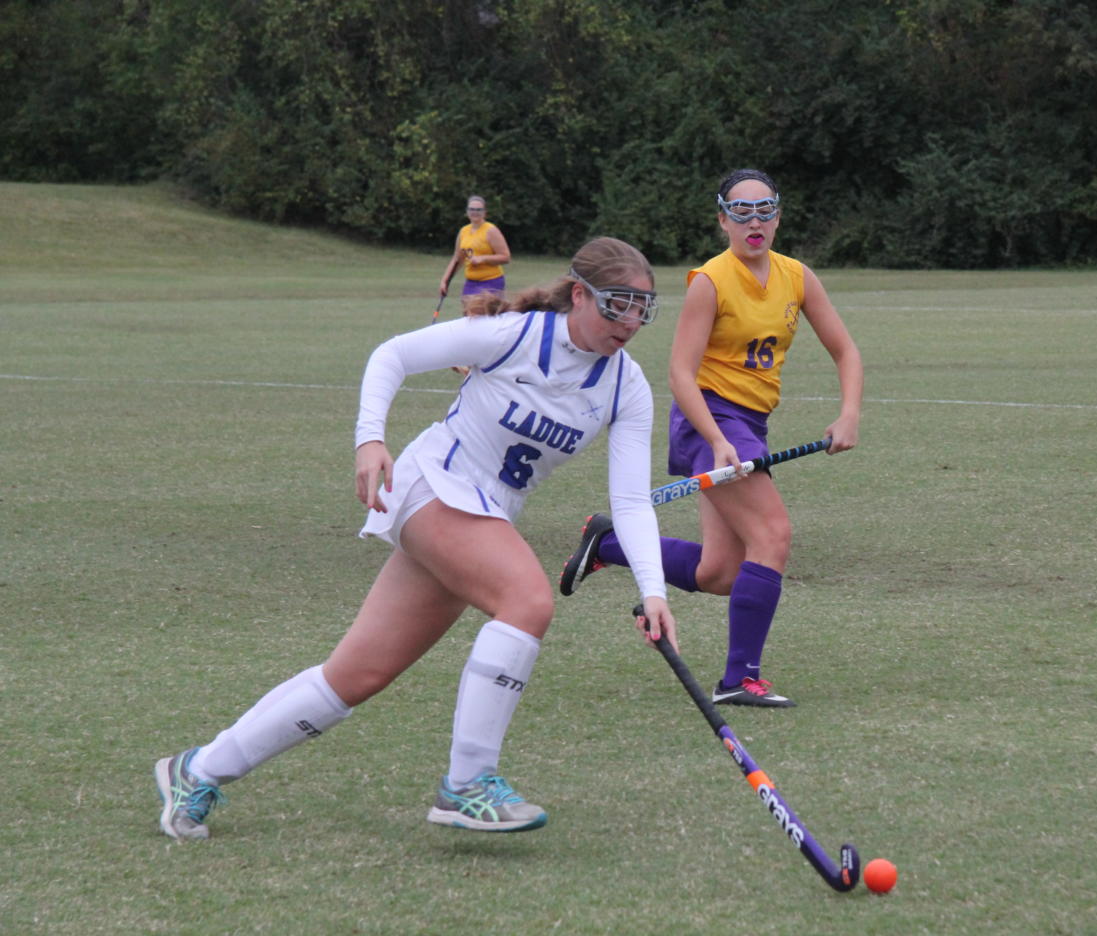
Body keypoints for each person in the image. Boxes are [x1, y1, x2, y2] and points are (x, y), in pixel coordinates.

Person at [155, 237, 677, 841]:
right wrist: (370, 439)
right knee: (527, 600)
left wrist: (654, 589)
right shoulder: (514, 335)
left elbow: (632, 500)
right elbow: (393, 355)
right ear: (580, 295)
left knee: (354, 676)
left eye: (643, 308)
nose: (632, 322)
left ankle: (196, 771)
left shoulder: (626, 386)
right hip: (435, 485)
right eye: (618, 305)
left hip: (483, 516)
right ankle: (469, 784)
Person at [559, 169, 863, 708]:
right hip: (711, 421)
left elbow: (845, 350)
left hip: (751, 426)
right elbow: (680, 372)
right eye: (740, 212)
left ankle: (607, 542)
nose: (754, 222)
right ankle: (739, 679)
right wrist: (717, 439)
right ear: (722, 219)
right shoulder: (710, 281)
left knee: (719, 572)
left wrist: (849, 413)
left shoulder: (797, 276)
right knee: (773, 535)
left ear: (778, 215)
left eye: (765, 210)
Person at [438, 194, 511, 316]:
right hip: (471, 282)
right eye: (471, 209)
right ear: (467, 211)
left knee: (483, 317)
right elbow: (457, 258)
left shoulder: (491, 230)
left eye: (478, 210)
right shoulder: (464, 231)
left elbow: (506, 257)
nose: (475, 212)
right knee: (468, 317)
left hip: (491, 282)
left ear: (485, 212)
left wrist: (483, 259)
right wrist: (445, 280)